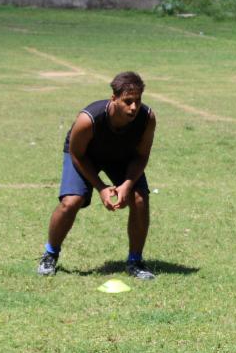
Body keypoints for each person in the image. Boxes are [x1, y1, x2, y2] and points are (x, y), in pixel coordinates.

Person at [37, 72, 157, 279]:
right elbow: (77, 154)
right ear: (114, 98)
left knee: (139, 199)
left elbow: (142, 156)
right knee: (71, 201)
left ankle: (135, 261)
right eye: (127, 101)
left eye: (137, 101)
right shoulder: (88, 119)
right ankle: (50, 254)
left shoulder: (147, 119)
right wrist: (101, 187)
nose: (134, 107)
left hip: (121, 156)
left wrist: (127, 185)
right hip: (85, 155)